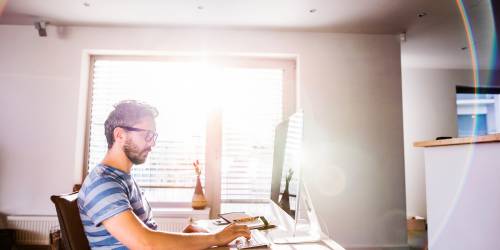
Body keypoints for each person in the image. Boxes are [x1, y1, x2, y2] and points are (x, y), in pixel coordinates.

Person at [77, 100, 250, 249]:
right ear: (120, 135)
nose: (152, 144)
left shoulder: (123, 178)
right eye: (147, 136)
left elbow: (147, 240)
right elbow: (146, 244)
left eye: (154, 137)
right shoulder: (103, 183)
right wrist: (215, 238)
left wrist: (187, 237)